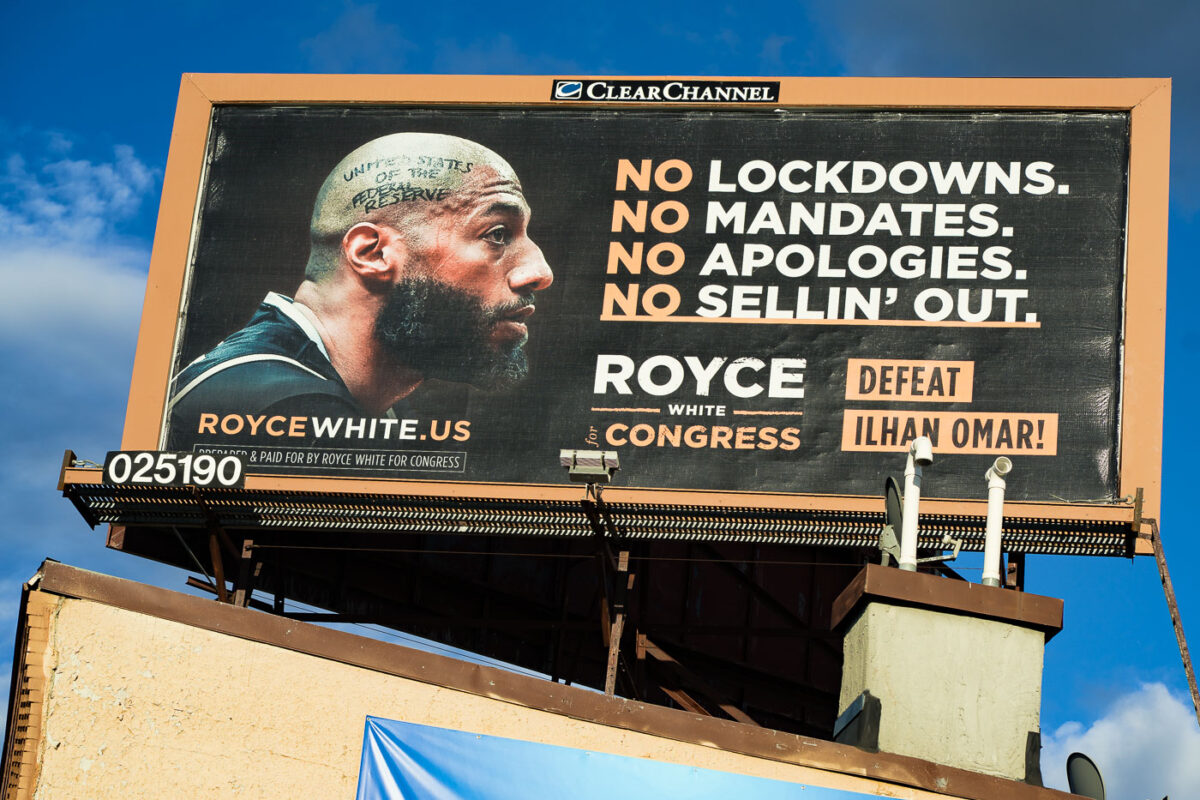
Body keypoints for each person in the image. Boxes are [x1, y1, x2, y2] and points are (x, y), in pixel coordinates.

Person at [167, 132, 554, 439]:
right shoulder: (280, 407)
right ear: (372, 253)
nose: (539, 271)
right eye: (497, 233)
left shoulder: (362, 407)